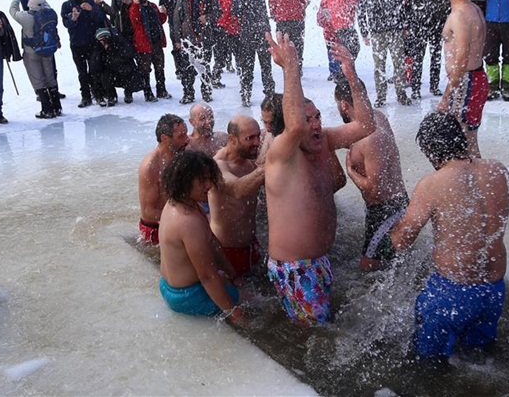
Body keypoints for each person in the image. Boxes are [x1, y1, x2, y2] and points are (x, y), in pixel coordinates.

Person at [264, 32, 375, 325]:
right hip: (296, 268)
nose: (314, 124)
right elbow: (296, 126)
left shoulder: (324, 141)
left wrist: (351, 76)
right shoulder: (281, 154)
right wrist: (290, 68)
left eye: (318, 117)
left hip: (318, 261)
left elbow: (366, 125)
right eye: (308, 118)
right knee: (316, 336)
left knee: (321, 331)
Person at [390, 111, 509, 363]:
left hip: (453, 291)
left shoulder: (433, 183)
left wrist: (395, 224)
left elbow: (401, 241)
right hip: (494, 288)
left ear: (431, 152)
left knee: (428, 363)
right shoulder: (497, 171)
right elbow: (507, 203)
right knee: (480, 360)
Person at [158, 150, 243, 322]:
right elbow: (207, 276)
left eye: (209, 179)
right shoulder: (188, 221)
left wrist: (232, 273)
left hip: (167, 286)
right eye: (202, 180)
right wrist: (236, 314)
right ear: (185, 181)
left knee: (235, 286)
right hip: (187, 297)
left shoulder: (177, 203)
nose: (209, 185)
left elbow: (211, 241)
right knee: (247, 302)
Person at [334, 79, 407, 271]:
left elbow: (373, 186)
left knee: (368, 266)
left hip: (386, 209)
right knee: (392, 262)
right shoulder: (378, 116)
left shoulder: (369, 138)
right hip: (395, 203)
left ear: (343, 104)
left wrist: (351, 171)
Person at [436, 0, 490, 160]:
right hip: (474, 78)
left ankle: (474, 183)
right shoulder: (473, 8)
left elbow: (461, 59)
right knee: (468, 138)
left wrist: (446, 95)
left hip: (466, 81)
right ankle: (478, 182)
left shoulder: (459, 16)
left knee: (462, 139)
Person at [209, 115, 266, 277]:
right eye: (250, 138)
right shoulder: (217, 165)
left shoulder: (249, 161)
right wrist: (270, 165)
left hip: (252, 246)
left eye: (258, 136)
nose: (256, 143)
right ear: (232, 139)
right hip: (226, 252)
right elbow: (237, 190)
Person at [358, 0, 411, 107]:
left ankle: (401, 94)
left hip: (394, 29)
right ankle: (381, 96)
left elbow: (403, 4)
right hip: (376, 31)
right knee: (379, 66)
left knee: (399, 63)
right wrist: (364, 32)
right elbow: (361, 9)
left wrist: (405, 26)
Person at [10, 0, 63, 119]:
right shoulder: (51, 13)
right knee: (50, 77)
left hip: (31, 52)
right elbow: (43, 2)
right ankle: (56, 106)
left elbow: (13, 11)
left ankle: (46, 109)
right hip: (48, 49)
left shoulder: (26, 17)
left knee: (38, 79)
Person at [138, 113, 191, 245]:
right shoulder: (150, 167)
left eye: (186, 134)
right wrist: (184, 218)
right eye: (181, 136)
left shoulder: (180, 154)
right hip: (155, 231)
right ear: (165, 138)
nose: (187, 140)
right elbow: (148, 212)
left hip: (177, 219)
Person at [409, 0, 452, 98]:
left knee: (436, 57)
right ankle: (415, 88)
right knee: (418, 57)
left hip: (438, 22)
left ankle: (434, 86)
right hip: (420, 23)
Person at [171, 0, 216, 104]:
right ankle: (188, 93)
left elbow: (217, 12)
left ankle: (206, 92)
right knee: (187, 68)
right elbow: (176, 19)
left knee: (205, 66)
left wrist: (207, 18)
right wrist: (177, 39)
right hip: (188, 38)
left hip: (205, 36)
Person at [234, 0, 275, 108]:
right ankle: (245, 94)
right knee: (247, 67)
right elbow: (235, 11)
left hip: (262, 32)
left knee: (266, 66)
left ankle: (270, 94)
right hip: (246, 35)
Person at [62, 0, 109, 107]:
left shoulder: (89, 1)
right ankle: (86, 96)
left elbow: (100, 17)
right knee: (82, 72)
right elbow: (66, 23)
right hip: (77, 44)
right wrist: (73, 18)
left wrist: (91, 9)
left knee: (94, 69)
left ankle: (98, 95)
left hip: (91, 42)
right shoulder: (67, 5)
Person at [317, 0, 360, 83]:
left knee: (334, 47)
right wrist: (356, 0)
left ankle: (337, 72)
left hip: (332, 22)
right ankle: (344, 75)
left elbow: (326, 0)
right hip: (343, 22)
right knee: (349, 48)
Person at [128, 0, 168, 102]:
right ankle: (148, 93)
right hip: (144, 44)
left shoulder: (152, 6)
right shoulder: (135, 8)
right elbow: (134, 19)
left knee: (160, 67)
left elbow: (160, 20)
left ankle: (161, 90)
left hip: (156, 42)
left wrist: (164, 13)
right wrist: (135, 4)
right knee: (145, 70)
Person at [270, 0, 312, 69]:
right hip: (297, 18)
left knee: (284, 43)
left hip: (281, 18)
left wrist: (274, 13)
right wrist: (301, 7)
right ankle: (298, 66)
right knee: (297, 43)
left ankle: (287, 66)